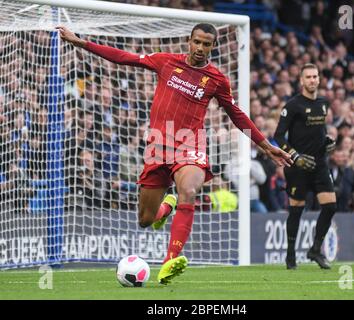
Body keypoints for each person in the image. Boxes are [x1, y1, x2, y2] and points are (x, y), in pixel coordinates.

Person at [57, 24, 292, 284]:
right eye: (197, 42)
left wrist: (266, 146)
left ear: (213, 46)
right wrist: (81, 43)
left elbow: (236, 115)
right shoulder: (166, 61)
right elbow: (124, 57)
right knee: (146, 220)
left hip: (189, 145)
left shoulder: (216, 79)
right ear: (189, 41)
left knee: (189, 190)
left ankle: (170, 259)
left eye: (207, 44)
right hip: (157, 146)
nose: (201, 48)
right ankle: (167, 206)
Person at [274, 63, 337, 270]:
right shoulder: (293, 105)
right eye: (308, 77)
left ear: (319, 79)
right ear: (301, 80)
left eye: (315, 76)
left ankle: (315, 250)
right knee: (296, 210)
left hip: (319, 164)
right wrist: (295, 155)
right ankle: (290, 255)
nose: (312, 80)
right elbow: (278, 136)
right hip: (298, 166)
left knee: (330, 206)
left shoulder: (323, 103)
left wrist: (327, 141)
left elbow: (320, 129)